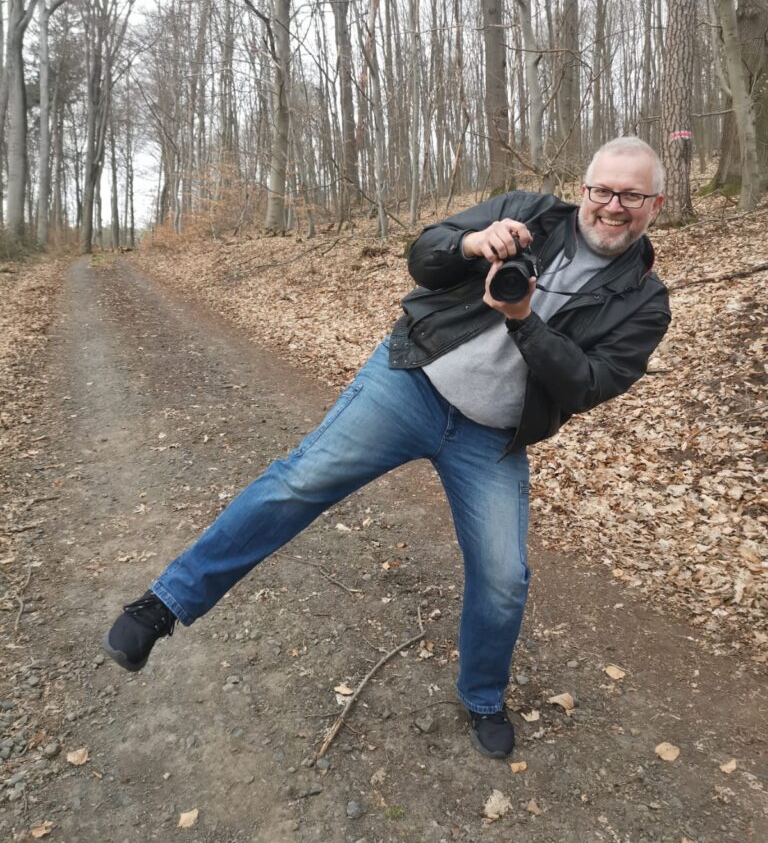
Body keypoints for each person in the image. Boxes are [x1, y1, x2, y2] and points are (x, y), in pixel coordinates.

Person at [103, 136, 670, 759]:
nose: (613, 206)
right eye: (602, 190)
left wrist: (524, 319)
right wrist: (468, 243)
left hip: (491, 436)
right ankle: (163, 603)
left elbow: (587, 385)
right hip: (412, 383)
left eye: (631, 195)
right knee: (302, 479)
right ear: (583, 189)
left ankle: (483, 695)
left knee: (504, 575)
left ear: (656, 203)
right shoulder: (529, 214)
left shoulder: (645, 299)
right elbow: (423, 256)